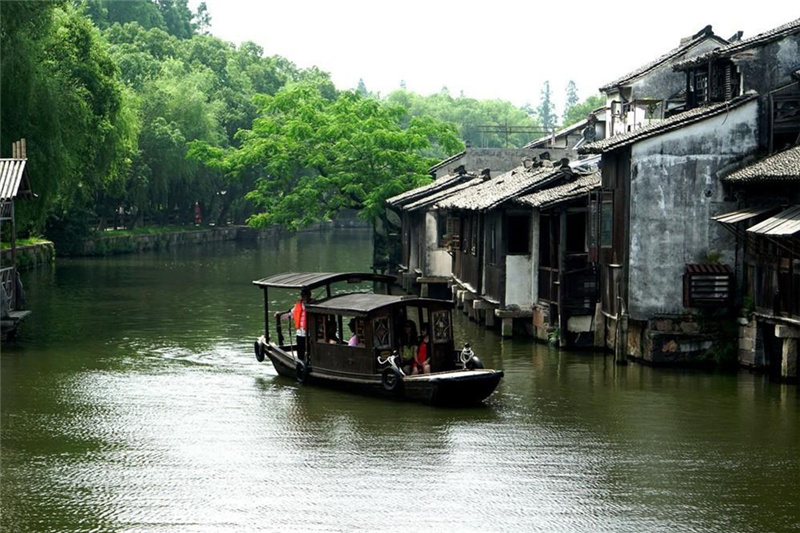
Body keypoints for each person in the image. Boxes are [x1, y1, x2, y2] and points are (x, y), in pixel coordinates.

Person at [275, 288, 310, 360]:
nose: (304, 297)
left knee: (309, 350)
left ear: (309, 295)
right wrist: (280, 316)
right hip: (300, 333)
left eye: (305, 295)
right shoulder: (298, 305)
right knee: (300, 350)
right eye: (302, 295)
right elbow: (290, 314)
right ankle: (301, 364)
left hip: (310, 334)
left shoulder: (313, 305)